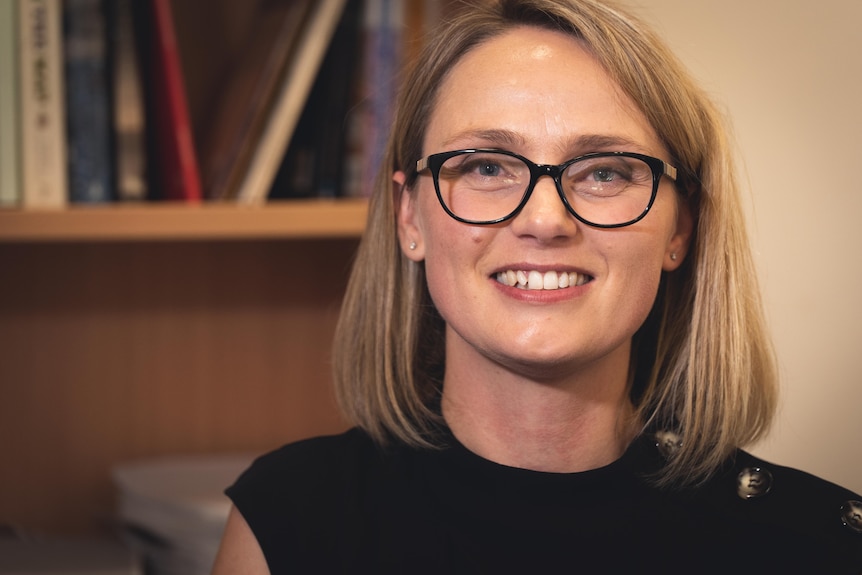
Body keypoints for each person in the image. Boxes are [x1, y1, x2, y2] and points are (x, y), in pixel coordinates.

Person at [213, 0, 862, 572]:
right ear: (409, 216)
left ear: (679, 229)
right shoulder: (289, 525)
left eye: (606, 172)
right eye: (487, 165)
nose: (545, 219)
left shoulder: (820, 544)